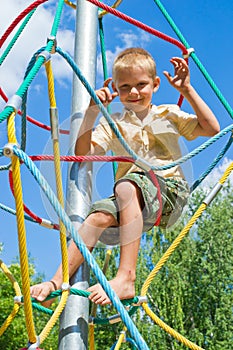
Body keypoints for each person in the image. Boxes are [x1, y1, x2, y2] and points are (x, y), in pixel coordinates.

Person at [30, 48, 220, 306]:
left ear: (155, 84)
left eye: (141, 85)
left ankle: (126, 277)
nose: (133, 93)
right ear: (116, 91)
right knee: (97, 217)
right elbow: (83, 152)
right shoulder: (114, 123)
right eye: (125, 87)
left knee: (128, 185)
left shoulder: (168, 114)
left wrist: (186, 89)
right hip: (131, 199)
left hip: (169, 192)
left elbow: (212, 128)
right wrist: (92, 112)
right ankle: (56, 281)